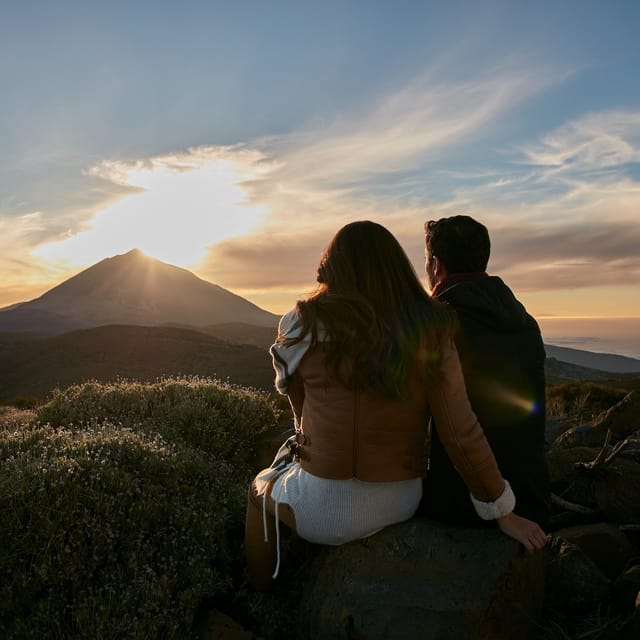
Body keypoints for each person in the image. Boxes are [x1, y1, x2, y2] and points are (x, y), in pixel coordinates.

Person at [245, 220, 546, 590]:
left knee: (260, 489)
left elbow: (299, 411)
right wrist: (502, 511)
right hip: (399, 501)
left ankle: (262, 591)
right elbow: (459, 430)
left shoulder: (299, 325)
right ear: (398, 267)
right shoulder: (432, 327)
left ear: (332, 266)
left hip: (318, 509)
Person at [419, 215, 551, 528]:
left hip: (461, 503)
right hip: (531, 499)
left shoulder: (435, 325)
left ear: (436, 266)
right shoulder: (523, 321)